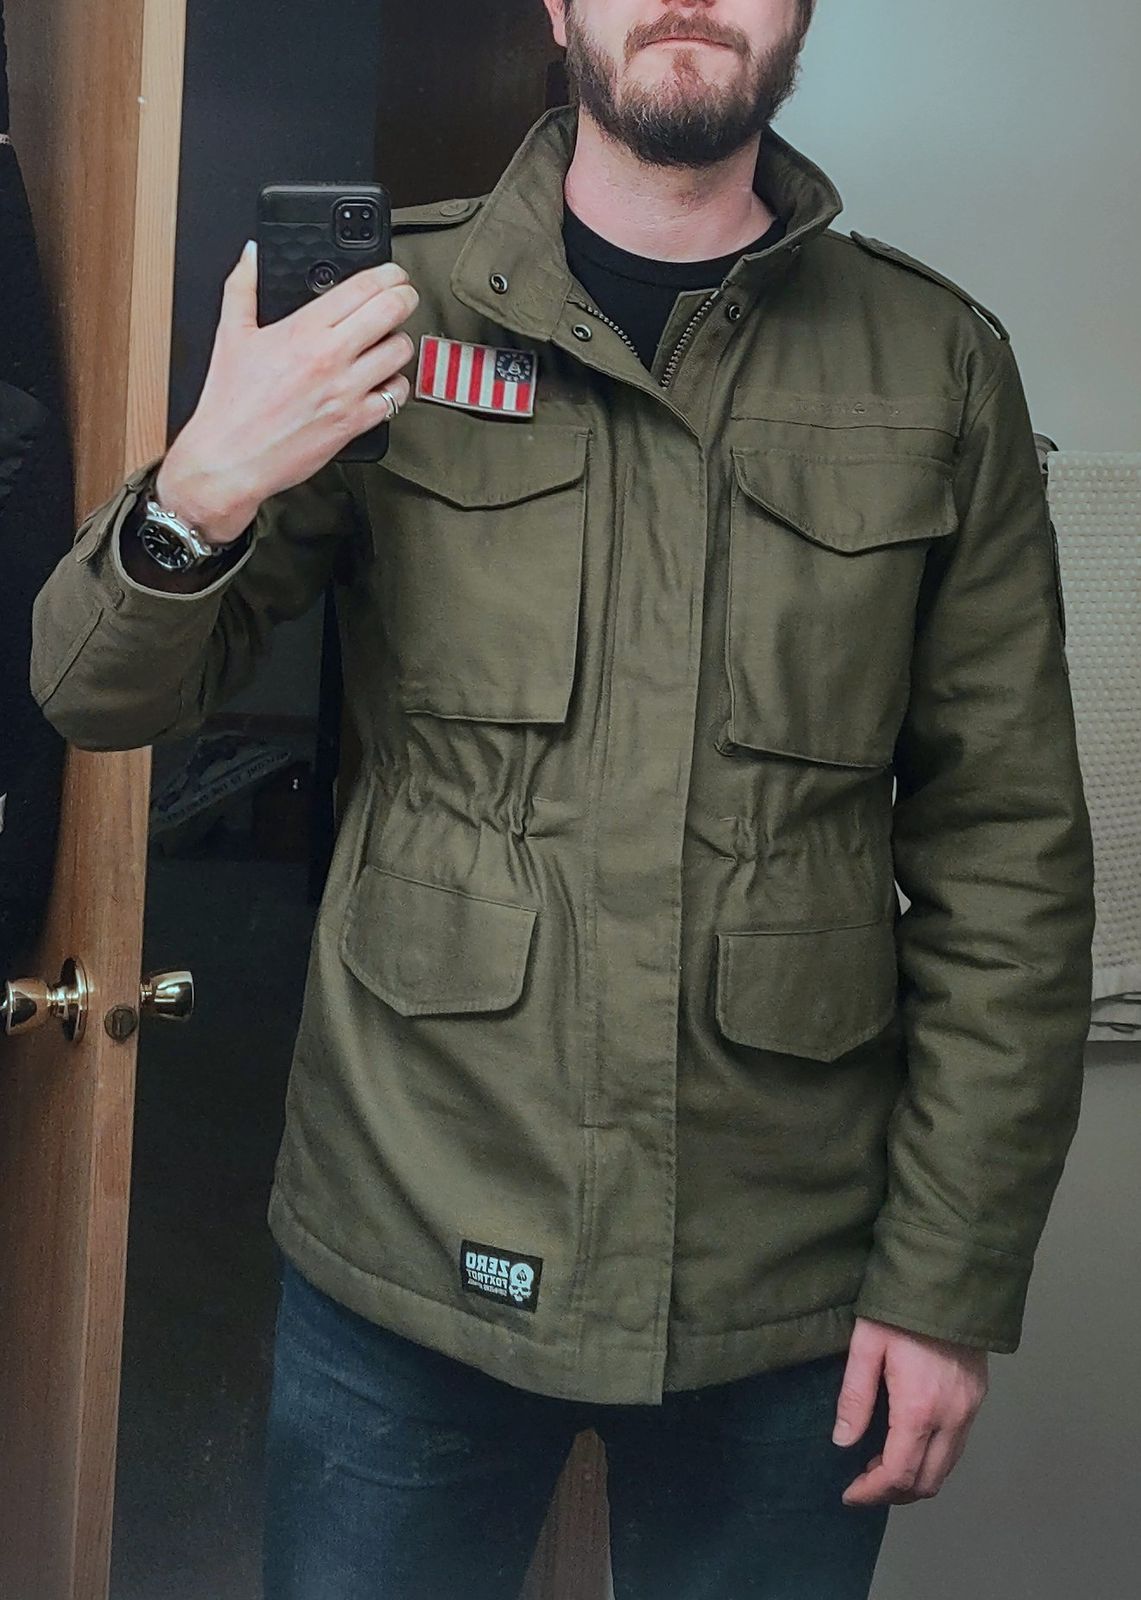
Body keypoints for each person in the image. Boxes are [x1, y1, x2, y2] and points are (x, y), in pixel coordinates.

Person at [31, 1, 1095, 1595]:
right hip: (406, 1250)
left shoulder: (933, 361)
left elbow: (1008, 860)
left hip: (786, 1288)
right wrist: (205, 481)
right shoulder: (389, 310)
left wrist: (947, 1279)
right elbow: (94, 693)